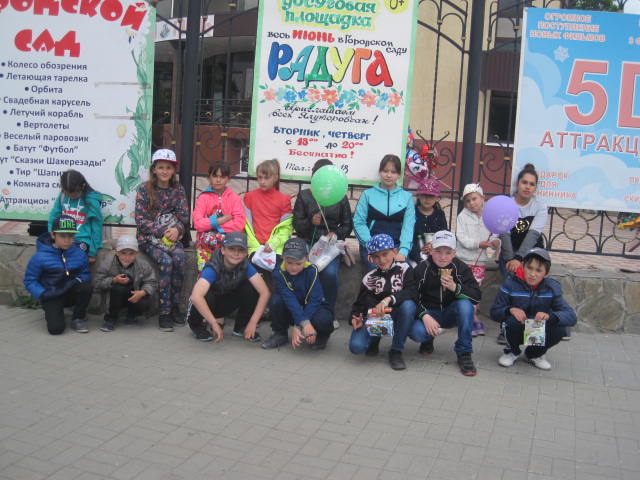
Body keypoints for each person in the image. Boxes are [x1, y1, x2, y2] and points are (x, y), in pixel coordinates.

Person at [490, 248, 576, 370]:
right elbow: (494, 312)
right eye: (529, 268)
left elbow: (571, 316)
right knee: (510, 322)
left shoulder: (551, 288)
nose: (532, 274)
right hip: (517, 327)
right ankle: (512, 351)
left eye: (538, 270)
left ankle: (533, 354)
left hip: (536, 329)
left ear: (546, 273)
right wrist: (510, 310)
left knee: (560, 329)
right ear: (522, 266)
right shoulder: (510, 284)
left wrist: (550, 316)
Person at [410, 230, 481, 376]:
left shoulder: (460, 268)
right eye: (438, 251)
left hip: (450, 313)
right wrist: (424, 315)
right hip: (430, 313)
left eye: (448, 252)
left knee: (466, 305)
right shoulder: (422, 268)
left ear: (454, 253)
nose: (443, 257)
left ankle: (464, 352)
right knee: (417, 332)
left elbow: (476, 295)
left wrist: (455, 287)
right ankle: (428, 338)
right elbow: (410, 296)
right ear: (431, 251)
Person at [293, 159, 353, 328]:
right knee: (302, 271)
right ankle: (301, 313)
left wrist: (336, 233)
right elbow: (296, 224)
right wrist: (310, 221)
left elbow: (348, 225)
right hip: (308, 241)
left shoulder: (340, 197)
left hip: (329, 246)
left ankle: (329, 313)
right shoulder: (304, 196)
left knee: (330, 274)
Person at [135, 149, 189, 332]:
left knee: (180, 259)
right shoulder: (144, 190)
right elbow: (140, 220)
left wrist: (177, 229)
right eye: (161, 167)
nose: (164, 171)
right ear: (154, 169)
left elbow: (183, 217)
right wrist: (162, 231)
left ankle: (175, 307)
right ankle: (164, 312)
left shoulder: (178, 190)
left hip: (171, 239)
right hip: (148, 239)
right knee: (166, 262)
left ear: (173, 170)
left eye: (168, 167)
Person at [186, 232, 270, 342]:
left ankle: (242, 326)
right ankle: (196, 326)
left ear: (246, 253)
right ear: (223, 250)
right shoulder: (213, 267)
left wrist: (253, 322)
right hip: (209, 304)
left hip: (226, 303)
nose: (236, 253)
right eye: (231, 249)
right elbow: (196, 297)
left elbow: (265, 292)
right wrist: (214, 323)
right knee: (203, 294)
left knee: (252, 288)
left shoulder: (246, 265)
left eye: (241, 250)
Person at [349, 234, 417, 370]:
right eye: (376, 256)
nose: (381, 260)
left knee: (408, 306)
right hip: (377, 318)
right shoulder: (369, 278)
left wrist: (389, 299)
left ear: (394, 252)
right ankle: (375, 339)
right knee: (356, 347)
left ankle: (396, 350)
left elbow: (412, 291)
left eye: (385, 254)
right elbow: (359, 304)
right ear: (371, 258)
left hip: (398, 316)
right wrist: (355, 317)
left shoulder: (405, 269)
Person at [497, 163, 548, 343]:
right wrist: (511, 259)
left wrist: (519, 259)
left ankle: (533, 337)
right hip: (509, 252)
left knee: (534, 286)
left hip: (532, 253)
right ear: (517, 184)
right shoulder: (507, 204)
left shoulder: (540, 206)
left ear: (535, 188)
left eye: (531, 184)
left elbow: (533, 234)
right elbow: (504, 233)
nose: (527, 187)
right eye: (524, 182)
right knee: (512, 285)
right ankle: (508, 328)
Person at [23, 215, 92, 334]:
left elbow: (85, 273)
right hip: (52, 294)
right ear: (53, 235)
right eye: (62, 236)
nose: (67, 240)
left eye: (71, 236)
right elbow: (30, 280)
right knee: (56, 329)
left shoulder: (80, 253)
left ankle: (78, 318)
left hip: (70, 291)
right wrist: (42, 294)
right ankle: (54, 312)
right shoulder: (40, 257)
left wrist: (78, 280)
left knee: (86, 287)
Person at [261, 237, 335, 350]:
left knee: (324, 319)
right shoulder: (278, 273)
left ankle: (322, 336)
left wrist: (301, 324)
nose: (293, 267)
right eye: (289, 262)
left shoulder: (312, 270)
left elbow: (315, 299)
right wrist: (302, 323)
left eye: (298, 263)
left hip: (312, 308)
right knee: (276, 300)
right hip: (293, 309)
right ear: (283, 258)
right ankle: (280, 333)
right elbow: (289, 299)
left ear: (306, 258)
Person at [353, 154, 415, 271]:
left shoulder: (406, 197)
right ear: (380, 172)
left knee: (401, 271)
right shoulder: (367, 195)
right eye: (385, 171)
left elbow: (408, 226)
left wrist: (403, 251)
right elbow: (358, 222)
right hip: (372, 247)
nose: (388, 175)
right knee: (376, 272)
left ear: (399, 174)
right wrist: (370, 246)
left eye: (393, 172)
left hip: (396, 247)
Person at [455, 183, 500, 337]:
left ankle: (472, 317)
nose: (471, 203)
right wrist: (477, 244)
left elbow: (495, 234)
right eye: (467, 201)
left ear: (482, 198)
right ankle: (470, 318)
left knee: (475, 289)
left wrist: (495, 242)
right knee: (464, 288)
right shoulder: (462, 216)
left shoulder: (490, 216)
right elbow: (461, 238)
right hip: (464, 260)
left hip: (479, 262)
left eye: (474, 199)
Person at [93, 236, 158, 332]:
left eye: (131, 254)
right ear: (117, 252)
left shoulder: (143, 264)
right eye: (123, 253)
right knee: (118, 288)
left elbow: (152, 282)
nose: (127, 258)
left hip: (133, 293)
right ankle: (111, 318)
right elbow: (97, 282)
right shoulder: (108, 262)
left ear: (137, 253)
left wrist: (142, 292)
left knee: (144, 300)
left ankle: (132, 314)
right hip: (114, 296)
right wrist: (113, 280)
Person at [243, 159, 293, 279]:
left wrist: (273, 244)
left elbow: (286, 228)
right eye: (260, 177)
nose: (262, 181)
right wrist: (254, 245)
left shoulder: (284, 200)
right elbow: (245, 225)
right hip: (253, 247)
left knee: (276, 280)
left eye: (266, 178)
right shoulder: (249, 197)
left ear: (275, 178)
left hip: (275, 249)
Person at [193, 161, 246, 271]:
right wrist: (220, 220)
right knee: (206, 271)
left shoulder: (234, 198)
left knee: (226, 267)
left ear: (228, 179)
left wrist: (211, 224)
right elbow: (197, 223)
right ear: (209, 177)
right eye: (215, 176)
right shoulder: (203, 198)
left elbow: (239, 224)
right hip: (205, 242)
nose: (218, 180)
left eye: (222, 177)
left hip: (227, 239)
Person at [48, 169, 103, 263]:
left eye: (74, 194)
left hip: (81, 241)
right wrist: (51, 232)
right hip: (62, 238)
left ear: (83, 186)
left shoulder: (91, 201)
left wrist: (92, 252)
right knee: (50, 258)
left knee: (72, 262)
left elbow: (96, 226)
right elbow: (54, 215)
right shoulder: (62, 196)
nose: (71, 196)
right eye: (67, 194)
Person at [409, 178, 448, 265]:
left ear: (437, 198)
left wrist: (434, 246)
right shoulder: (412, 212)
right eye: (424, 195)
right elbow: (409, 236)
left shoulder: (439, 214)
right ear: (418, 196)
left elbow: (444, 234)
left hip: (436, 251)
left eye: (431, 196)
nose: (427, 199)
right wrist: (419, 251)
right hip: (414, 251)